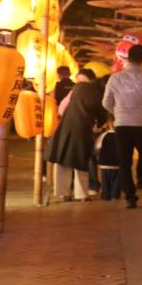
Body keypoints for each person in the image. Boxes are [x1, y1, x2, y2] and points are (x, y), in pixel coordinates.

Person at [102, 44, 142, 208]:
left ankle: (130, 197)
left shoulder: (115, 78)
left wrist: (118, 112)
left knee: (124, 162)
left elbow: (106, 103)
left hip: (122, 126)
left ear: (128, 58)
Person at [48, 68, 106, 201]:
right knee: (80, 160)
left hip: (66, 127)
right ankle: (82, 194)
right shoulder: (96, 91)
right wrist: (99, 123)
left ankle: (63, 193)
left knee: (63, 159)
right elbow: (100, 110)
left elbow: (62, 107)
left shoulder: (77, 89)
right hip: (83, 128)